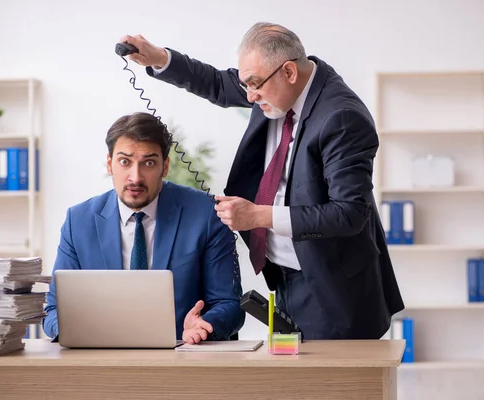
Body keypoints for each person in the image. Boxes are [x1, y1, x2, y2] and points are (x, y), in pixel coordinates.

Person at [118, 22, 404, 340]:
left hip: (334, 292)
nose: (250, 96)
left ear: (289, 72)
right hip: (286, 278)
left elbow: (349, 213)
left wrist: (257, 216)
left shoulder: (342, 118)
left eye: (255, 85)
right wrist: (159, 57)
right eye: (246, 85)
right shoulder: (276, 85)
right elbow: (215, 82)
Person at [43, 112, 245, 344]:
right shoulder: (78, 221)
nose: (135, 177)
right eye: (125, 162)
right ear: (109, 164)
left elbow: (229, 304)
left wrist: (204, 327)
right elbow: (54, 310)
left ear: (165, 166)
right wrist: (76, 328)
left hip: (183, 359)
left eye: (148, 163)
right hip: (102, 360)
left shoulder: (206, 214)